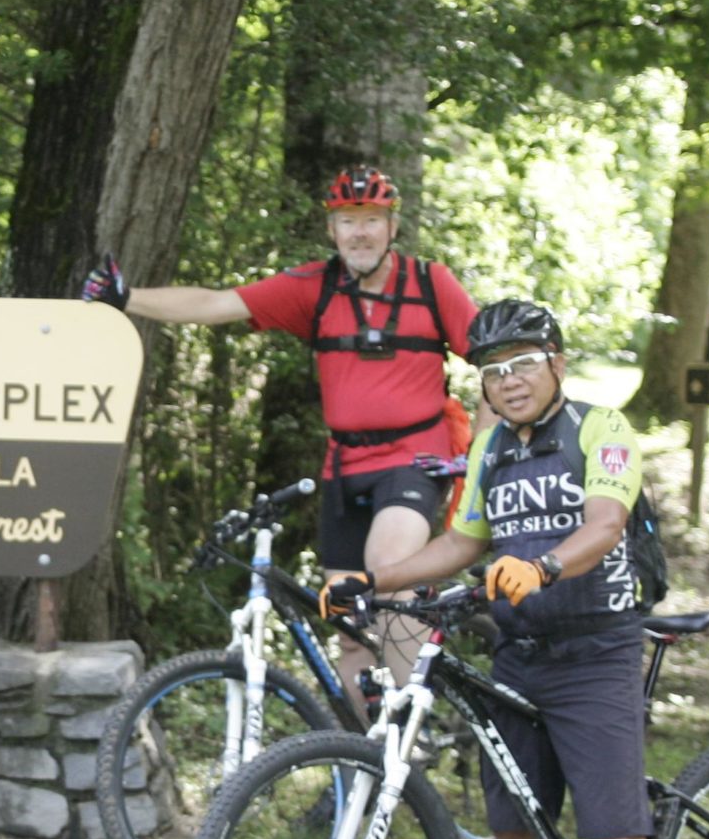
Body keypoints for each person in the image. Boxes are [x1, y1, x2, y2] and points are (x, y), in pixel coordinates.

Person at [329, 297, 671, 839]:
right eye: (492, 371)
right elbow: (460, 541)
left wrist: (544, 564)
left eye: (522, 364)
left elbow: (605, 523)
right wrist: (371, 579)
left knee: (617, 836)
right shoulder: (491, 450)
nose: (508, 382)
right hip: (520, 655)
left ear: (557, 361)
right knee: (516, 830)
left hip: (597, 652)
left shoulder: (601, 428)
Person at [80, 167, 479, 688]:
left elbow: (491, 357)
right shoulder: (316, 286)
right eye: (347, 220)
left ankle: (409, 734)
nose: (360, 232)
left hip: (415, 457)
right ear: (331, 230)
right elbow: (216, 304)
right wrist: (124, 297)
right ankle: (362, 759)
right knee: (350, 626)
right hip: (345, 466)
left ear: (392, 226)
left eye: (372, 220)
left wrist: (494, 439)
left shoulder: (431, 284)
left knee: (384, 570)